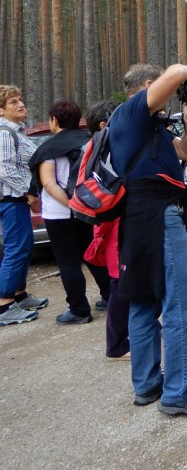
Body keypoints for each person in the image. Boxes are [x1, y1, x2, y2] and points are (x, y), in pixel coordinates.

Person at [110, 63, 187, 416]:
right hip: (158, 215)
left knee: (144, 301)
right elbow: (176, 70)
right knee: (180, 305)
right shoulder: (131, 112)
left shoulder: (148, 125)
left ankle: (147, 385)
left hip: (139, 216)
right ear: (148, 85)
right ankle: (179, 392)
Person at [28, 100, 111, 325]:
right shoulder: (90, 141)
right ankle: (110, 297)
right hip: (88, 209)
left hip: (59, 214)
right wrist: (82, 205)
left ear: (54, 120)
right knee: (94, 255)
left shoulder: (47, 148)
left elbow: (48, 183)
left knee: (68, 262)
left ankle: (79, 310)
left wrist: (69, 203)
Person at [82, 100, 130, 360]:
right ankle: (116, 345)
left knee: (123, 285)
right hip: (113, 229)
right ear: (105, 125)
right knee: (119, 287)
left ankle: (130, 336)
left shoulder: (98, 150)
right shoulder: (104, 154)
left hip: (113, 228)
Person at [0, 85, 48, 326]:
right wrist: (29, 192)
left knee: (25, 245)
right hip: (11, 199)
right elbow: (4, 168)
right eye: (12, 102)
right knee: (16, 248)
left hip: (17, 198)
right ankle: (3, 304)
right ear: (0, 111)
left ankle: (19, 295)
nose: (20, 104)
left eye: (20, 100)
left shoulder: (18, 132)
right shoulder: (4, 133)